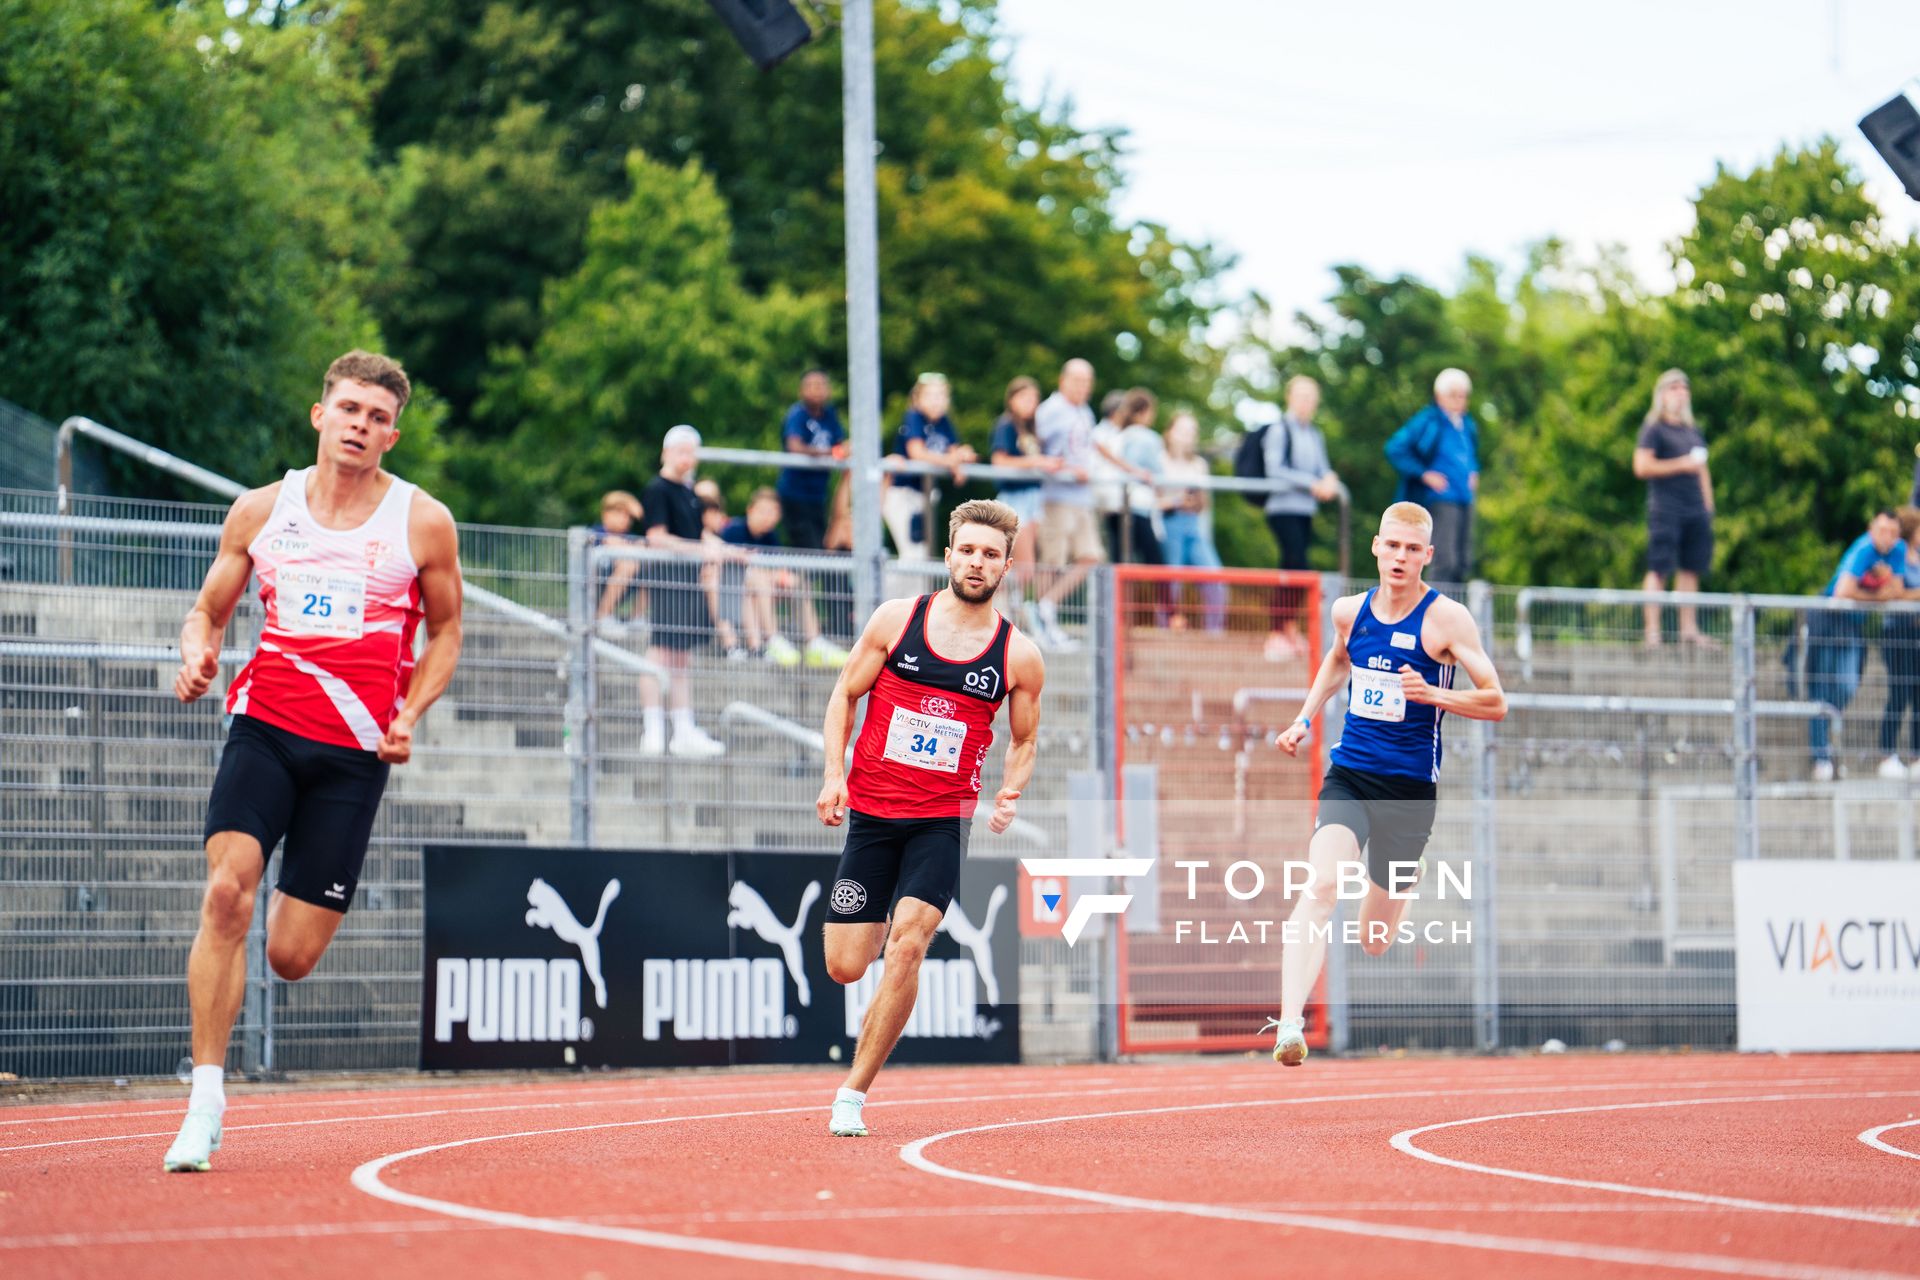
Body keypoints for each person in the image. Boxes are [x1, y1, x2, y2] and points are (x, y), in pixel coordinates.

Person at [164, 350, 464, 1171]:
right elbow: (207, 610)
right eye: (348, 409)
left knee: (290, 957)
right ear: (320, 415)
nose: (359, 426)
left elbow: (446, 633)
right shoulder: (262, 510)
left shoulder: (421, 522)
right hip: (263, 727)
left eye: (375, 417)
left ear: (391, 436)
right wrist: (198, 653)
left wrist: (410, 712)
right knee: (227, 893)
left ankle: (225, 1054)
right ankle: (205, 1098)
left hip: (352, 756)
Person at [815, 499, 1045, 1137]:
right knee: (845, 965)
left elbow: (1025, 740)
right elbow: (845, 693)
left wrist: (1010, 791)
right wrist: (835, 773)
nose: (977, 563)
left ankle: (853, 1096)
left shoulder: (1018, 655)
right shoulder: (898, 620)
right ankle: (877, 917)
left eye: (990, 554)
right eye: (968, 551)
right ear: (949, 556)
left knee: (910, 944)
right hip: (872, 813)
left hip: (942, 819)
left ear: (1005, 567)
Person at [1267, 501, 1506, 1066]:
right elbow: (1337, 660)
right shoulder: (1349, 610)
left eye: (1411, 549)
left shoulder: (1446, 620)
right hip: (1350, 774)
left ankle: (1407, 877)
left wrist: (1434, 695)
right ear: (1376, 547)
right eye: (1391, 546)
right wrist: (1304, 718)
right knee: (1321, 885)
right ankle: (1290, 1026)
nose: (1399, 557)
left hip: (1409, 793)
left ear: (1427, 556)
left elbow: (1495, 700)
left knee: (1374, 940)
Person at [639, 425, 727, 759]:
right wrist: (697, 549)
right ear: (667, 452)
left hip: (688, 580)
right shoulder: (658, 489)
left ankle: (682, 728)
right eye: (682, 451)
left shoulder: (690, 492)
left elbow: (698, 536)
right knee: (659, 652)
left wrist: (721, 550)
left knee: (681, 658)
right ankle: (654, 728)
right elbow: (656, 537)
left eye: (692, 452)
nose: (687, 459)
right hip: (668, 579)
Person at [1239, 375, 1340, 660]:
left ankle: (1287, 627)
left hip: (1305, 510)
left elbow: (1324, 468)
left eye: (1312, 397)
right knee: (1296, 564)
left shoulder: (1313, 433)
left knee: (1296, 566)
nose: (1308, 403)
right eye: (1302, 396)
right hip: (1282, 508)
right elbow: (1276, 470)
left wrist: (1329, 479)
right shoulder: (1280, 429)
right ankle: (1278, 629)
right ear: (1290, 397)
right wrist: (1311, 483)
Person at [1808, 508, 1906, 782]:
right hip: (1829, 621)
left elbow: (1896, 592)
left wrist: (1864, 597)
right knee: (1822, 689)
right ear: (1871, 528)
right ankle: (1820, 756)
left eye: (1893, 532)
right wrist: (1876, 596)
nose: (1888, 538)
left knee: (1847, 685)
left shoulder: (1897, 551)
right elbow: (1842, 591)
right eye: (1882, 530)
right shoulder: (1863, 549)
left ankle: (1829, 733)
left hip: (1853, 624)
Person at [1634, 369, 1717, 648]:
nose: (1681, 393)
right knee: (1659, 569)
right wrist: (1681, 464)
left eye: (1684, 388)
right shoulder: (1653, 428)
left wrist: (1708, 505)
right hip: (1665, 510)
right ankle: (1653, 632)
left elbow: (1702, 469)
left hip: (1695, 510)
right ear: (1662, 394)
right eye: (1674, 388)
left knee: (1691, 569)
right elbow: (1642, 466)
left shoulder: (1692, 430)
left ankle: (1689, 631)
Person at [1032, 358, 1104, 649]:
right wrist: (1064, 470)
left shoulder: (1084, 411)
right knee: (1052, 560)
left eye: (1087, 381)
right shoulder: (1050, 411)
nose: (1083, 387)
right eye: (1078, 380)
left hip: (1081, 497)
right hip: (1055, 497)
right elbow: (1036, 450)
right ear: (1063, 380)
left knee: (1091, 555)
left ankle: (1046, 607)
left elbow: (1090, 448)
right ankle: (1040, 618)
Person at [1385, 369, 1480, 585]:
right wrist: (1424, 474)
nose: (1460, 400)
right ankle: (1435, 614)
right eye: (1454, 395)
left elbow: (1469, 456)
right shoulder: (1428, 421)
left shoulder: (1467, 424)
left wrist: (1474, 471)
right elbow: (1395, 448)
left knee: (1463, 562)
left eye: (1463, 395)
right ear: (1440, 396)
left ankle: (1455, 613)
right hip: (1441, 498)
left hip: (1464, 497)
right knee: (1444, 559)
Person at [883, 373, 976, 560]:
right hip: (902, 493)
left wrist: (963, 456)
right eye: (931, 396)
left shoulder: (944, 422)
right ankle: (888, 589)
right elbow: (916, 452)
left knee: (922, 555)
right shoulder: (914, 416)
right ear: (918, 398)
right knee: (913, 554)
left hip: (925, 495)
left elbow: (955, 451)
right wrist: (953, 461)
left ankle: (909, 590)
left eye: (941, 396)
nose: (937, 401)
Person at [989, 376, 1059, 623]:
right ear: (1012, 399)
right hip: (1015, 497)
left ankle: (1006, 607)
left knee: (1024, 565)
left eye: (1034, 399)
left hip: (1032, 498)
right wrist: (1036, 462)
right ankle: (996, 604)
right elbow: (999, 461)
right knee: (1024, 564)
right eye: (1025, 398)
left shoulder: (1030, 429)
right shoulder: (1006, 425)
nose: (1031, 403)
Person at [1159, 411, 1227, 631]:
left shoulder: (1198, 464)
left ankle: (1214, 633)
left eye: (1191, 432)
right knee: (1170, 581)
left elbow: (1202, 502)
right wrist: (1178, 500)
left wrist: (1190, 501)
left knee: (1216, 579)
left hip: (1193, 526)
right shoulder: (1159, 460)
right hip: (1167, 525)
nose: (1187, 436)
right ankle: (1165, 631)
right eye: (1182, 430)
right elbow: (1153, 501)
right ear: (1170, 433)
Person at [778, 370, 844, 552]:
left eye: (822, 385)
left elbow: (841, 444)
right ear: (802, 390)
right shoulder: (797, 414)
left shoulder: (829, 414)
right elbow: (795, 446)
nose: (818, 390)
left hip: (818, 495)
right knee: (809, 549)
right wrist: (829, 452)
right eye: (812, 386)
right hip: (796, 494)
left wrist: (844, 449)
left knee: (825, 547)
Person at [1877, 506, 1920, 779]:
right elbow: (1895, 593)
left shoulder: (1918, 557)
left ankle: (1917, 755)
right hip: (1897, 634)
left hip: (1915, 635)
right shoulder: (1896, 557)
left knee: (1918, 696)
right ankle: (1886, 753)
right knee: (1899, 693)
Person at [592, 489, 646, 636]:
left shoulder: (631, 537)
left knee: (650, 565)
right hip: (594, 589)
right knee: (629, 564)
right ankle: (603, 616)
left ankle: (637, 617)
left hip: (625, 587)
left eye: (629, 515)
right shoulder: (595, 532)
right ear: (606, 514)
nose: (625, 519)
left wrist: (642, 515)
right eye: (619, 513)